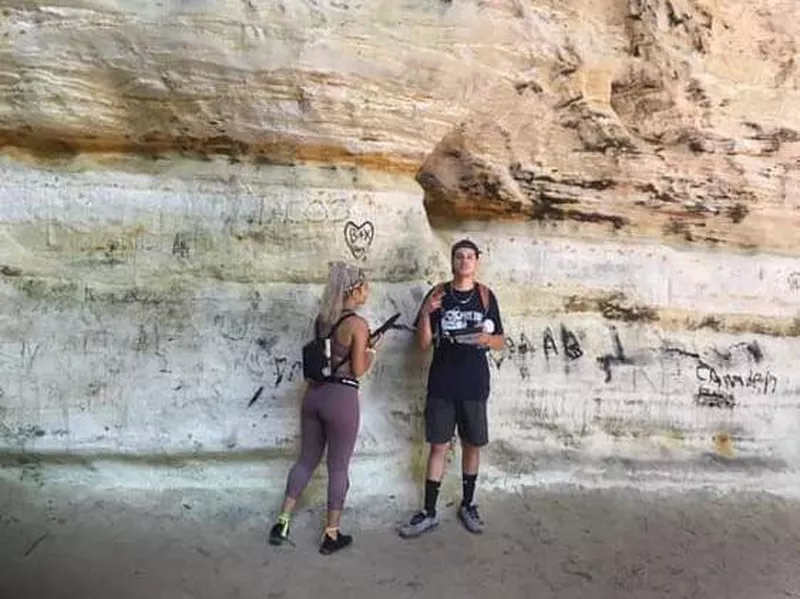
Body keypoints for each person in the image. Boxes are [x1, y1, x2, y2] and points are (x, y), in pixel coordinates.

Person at [268, 262, 381, 555]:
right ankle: (331, 535)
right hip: (341, 399)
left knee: (306, 460)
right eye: (365, 285)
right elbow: (356, 369)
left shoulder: (322, 319)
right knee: (338, 467)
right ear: (354, 290)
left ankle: (282, 521)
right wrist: (371, 351)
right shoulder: (357, 324)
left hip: (313, 396)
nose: (367, 290)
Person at [398, 239, 504, 538]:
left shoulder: (485, 296)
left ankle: (468, 504)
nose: (464, 261)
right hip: (442, 383)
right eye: (459, 256)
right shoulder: (437, 295)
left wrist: (486, 340)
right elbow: (421, 345)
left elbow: (500, 341)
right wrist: (425, 315)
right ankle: (429, 510)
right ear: (452, 261)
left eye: (470, 256)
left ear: (477, 261)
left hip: (474, 383)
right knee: (438, 446)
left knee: (472, 445)